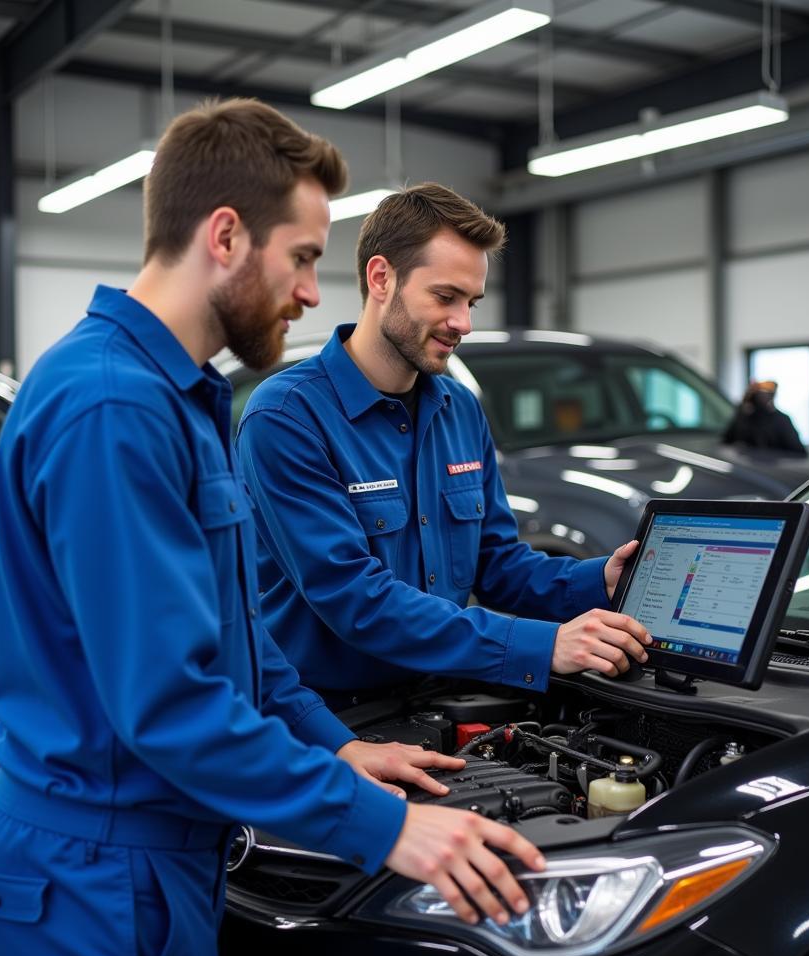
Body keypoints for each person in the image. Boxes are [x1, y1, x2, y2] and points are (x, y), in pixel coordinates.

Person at [0, 102, 545, 956]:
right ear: (227, 236)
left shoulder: (181, 397)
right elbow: (171, 702)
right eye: (306, 258)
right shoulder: (114, 408)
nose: (316, 294)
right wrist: (389, 829)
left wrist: (338, 745)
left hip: (164, 848)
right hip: (97, 872)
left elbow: (239, 645)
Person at [236, 183, 652, 712]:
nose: (464, 323)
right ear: (381, 278)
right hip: (327, 716)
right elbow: (355, 599)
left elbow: (497, 565)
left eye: (472, 301)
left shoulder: (460, 408)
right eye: (445, 297)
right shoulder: (287, 416)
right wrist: (540, 645)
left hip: (443, 694)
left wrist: (598, 581)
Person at [722, 379, 807, 455]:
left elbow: (798, 450)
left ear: (772, 397)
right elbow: (726, 441)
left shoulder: (781, 420)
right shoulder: (743, 418)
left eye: (766, 394)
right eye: (756, 395)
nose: (762, 398)